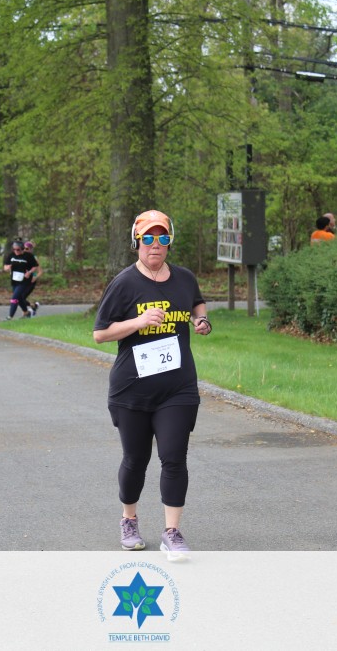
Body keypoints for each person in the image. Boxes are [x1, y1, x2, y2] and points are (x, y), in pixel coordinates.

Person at [93, 209, 212, 560]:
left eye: (162, 237)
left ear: (170, 242)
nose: (155, 244)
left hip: (178, 387)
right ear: (136, 243)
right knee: (136, 459)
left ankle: (172, 532)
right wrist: (139, 321)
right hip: (132, 389)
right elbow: (100, 333)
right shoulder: (124, 283)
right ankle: (129, 520)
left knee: (174, 457)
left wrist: (201, 320)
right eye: (147, 238)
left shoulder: (184, 278)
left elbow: (197, 302)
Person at [2, 239, 40, 319]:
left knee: (14, 298)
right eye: (14, 249)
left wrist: (29, 272)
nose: (16, 251)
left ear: (22, 249)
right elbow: (5, 266)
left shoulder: (28, 256)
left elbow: (35, 266)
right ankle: (26, 312)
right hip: (14, 280)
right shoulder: (11, 255)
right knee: (19, 298)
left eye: (18, 249)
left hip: (25, 280)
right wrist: (7, 268)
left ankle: (10, 316)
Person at [22, 240, 41, 314]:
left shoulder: (34, 258)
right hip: (22, 280)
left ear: (31, 249)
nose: (24, 250)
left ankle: (26, 313)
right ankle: (33, 306)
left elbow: (40, 271)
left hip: (31, 281)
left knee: (21, 297)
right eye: (23, 248)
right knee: (18, 298)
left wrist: (35, 277)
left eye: (26, 249)